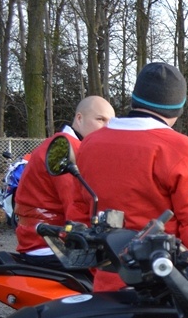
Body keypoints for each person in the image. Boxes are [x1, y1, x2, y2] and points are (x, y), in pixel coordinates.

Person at [75, 62, 188, 291]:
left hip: (105, 281)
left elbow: (80, 213)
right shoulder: (182, 150)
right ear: (177, 108)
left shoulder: (89, 144)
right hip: (163, 285)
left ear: (135, 98)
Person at [14, 96, 115, 266]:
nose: (106, 127)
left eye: (110, 122)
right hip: (47, 243)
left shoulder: (65, 144)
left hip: (46, 237)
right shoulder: (67, 149)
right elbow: (76, 206)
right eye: (100, 119)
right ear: (79, 118)